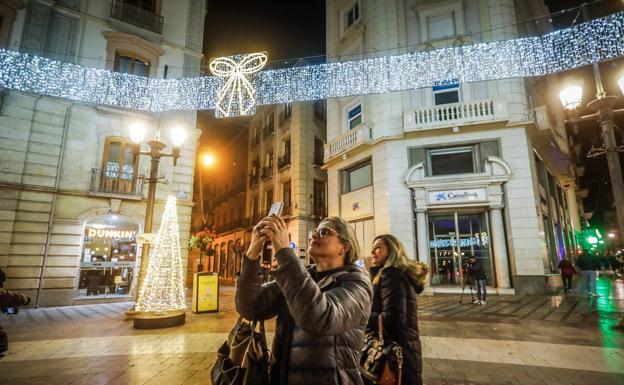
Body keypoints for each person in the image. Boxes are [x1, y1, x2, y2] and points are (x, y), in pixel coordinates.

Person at [236, 215, 372, 385]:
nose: (314, 236)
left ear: (344, 247)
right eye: (314, 232)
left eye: (324, 232)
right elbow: (250, 307)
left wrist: (284, 252)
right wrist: (253, 251)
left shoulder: (357, 283)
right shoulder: (302, 275)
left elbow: (321, 317)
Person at [367, 234, 428, 385]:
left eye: (378, 247)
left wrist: (362, 317)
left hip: (393, 354)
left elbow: (392, 319)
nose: (373, 252)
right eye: (372, 248)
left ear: (392, 250)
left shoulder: (391, 275)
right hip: (404, 351)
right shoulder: (396, 274)